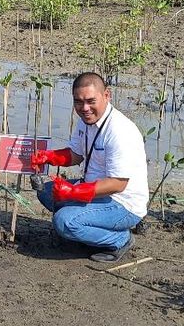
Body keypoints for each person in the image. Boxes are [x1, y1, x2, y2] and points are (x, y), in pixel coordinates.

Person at [30, 72, 149, 263]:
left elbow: (118, 184)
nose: (84, 108)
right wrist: (50, 157)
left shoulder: (120, 131)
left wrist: (73, 192)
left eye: (91, 101)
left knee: (64, 221)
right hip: (95, 189)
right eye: (78, 102)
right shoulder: (86, 121)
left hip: (123, 203)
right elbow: (76, 154)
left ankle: (121, 239)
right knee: (45, 192)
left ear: (107, 96)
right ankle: (91, 232)